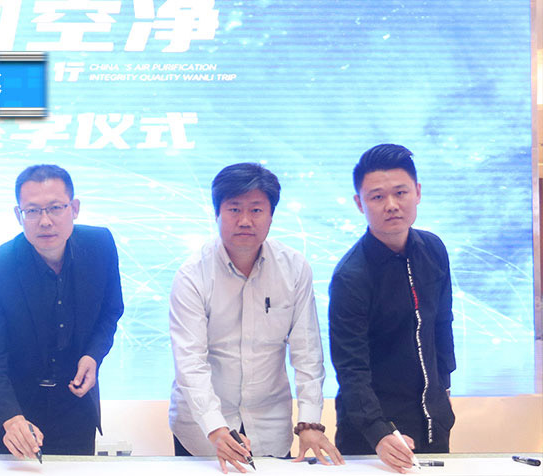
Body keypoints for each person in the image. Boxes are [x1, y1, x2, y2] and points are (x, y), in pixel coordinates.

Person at [167, 163, 343, 473]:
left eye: (257, 210)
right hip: (203, 431)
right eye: (234, 209)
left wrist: (310, 422)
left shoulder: (294, 268)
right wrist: (215, 427)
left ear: (272, 215)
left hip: (270, 425)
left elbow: (307, 352)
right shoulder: (192, 275)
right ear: (217, 213)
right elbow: (190, 362)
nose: (245, 220)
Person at [0, 164, 124, 457]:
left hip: (74, 410)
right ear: (18, 215)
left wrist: (93, 355)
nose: (45, 221)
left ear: (74, 208)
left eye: (55, 208)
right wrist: (11, 418)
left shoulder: (100, 246)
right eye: (32, 211)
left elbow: (111, 310)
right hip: (9, 417)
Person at [329, 144, 455, 473]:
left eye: (401, 192)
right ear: (360, 203)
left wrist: (444, 388)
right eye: (377, 196)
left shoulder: (434, 249)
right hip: (372, 435)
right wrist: (379, 432)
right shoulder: (350, 276)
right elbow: (350, 367)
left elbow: (442, 324)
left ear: (418, 192)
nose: (392, 205)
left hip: (433, 422)